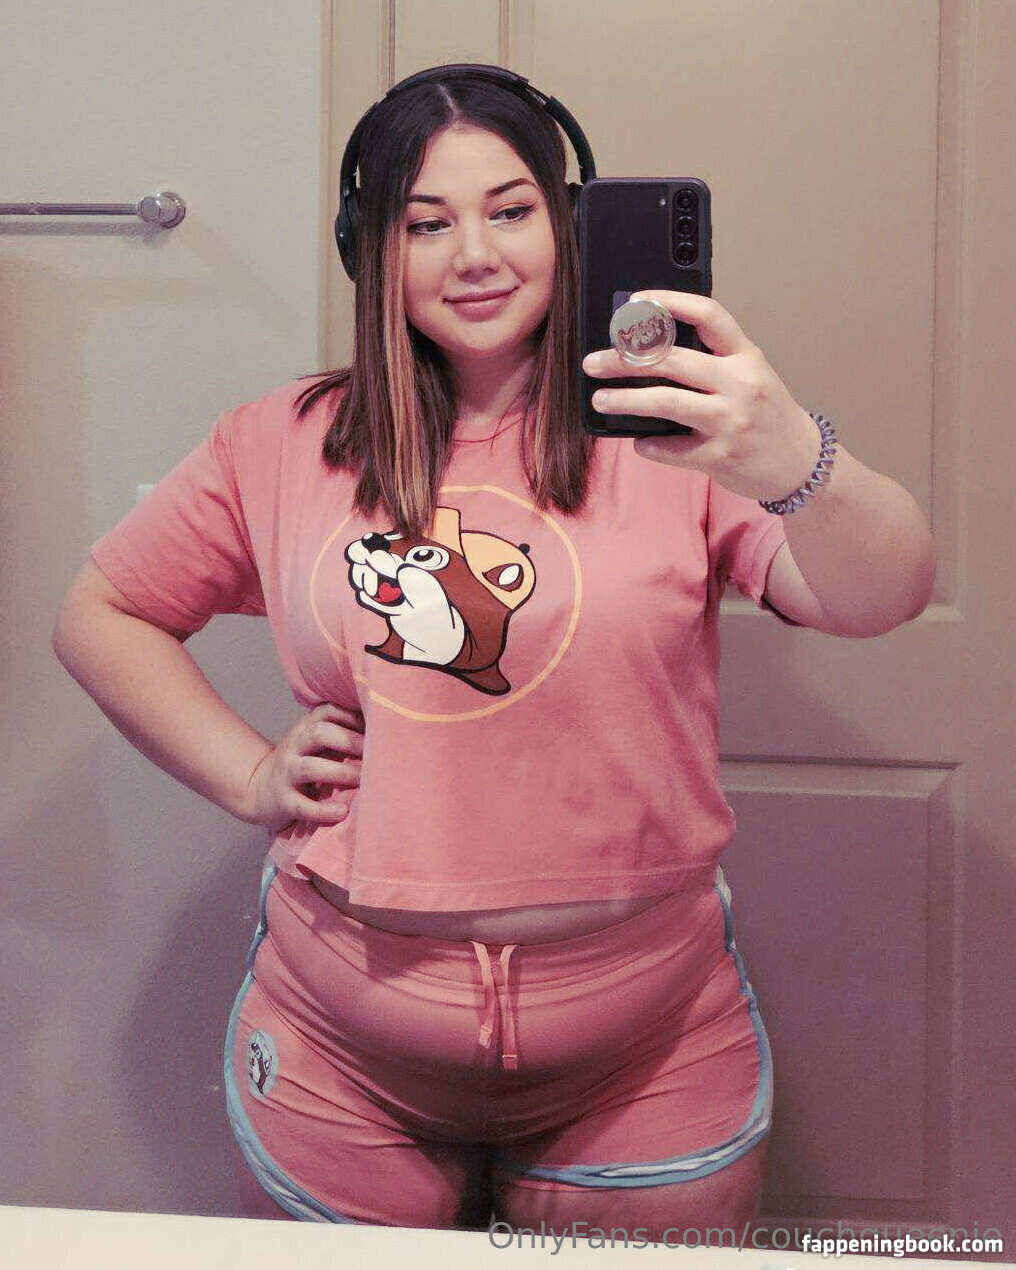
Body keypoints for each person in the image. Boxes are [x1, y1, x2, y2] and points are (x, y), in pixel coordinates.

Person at [52, 65, 935, 1237]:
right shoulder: (280, 442)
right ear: (370, 248)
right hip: (337, 1053)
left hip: (647, 1052)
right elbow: (103, 612)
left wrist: (791, 458)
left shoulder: (680, 434)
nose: (473, 254)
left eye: (510, 210)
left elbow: (884, 594)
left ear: (566, 225)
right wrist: (249, 773)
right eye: (426, 223)